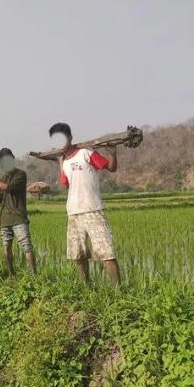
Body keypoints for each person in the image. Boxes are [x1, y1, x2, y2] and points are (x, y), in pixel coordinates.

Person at [50, 122, 121, 285]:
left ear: (70, 138)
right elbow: (65, 184)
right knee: (78, 254)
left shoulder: (86, 153)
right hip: (73, 212)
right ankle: (85, 287)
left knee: (107, 252)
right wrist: (61, 165)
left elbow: (111, 167)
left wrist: (113, 154)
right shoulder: (65, 163)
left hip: (92, 209)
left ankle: (118, 292)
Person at [0, 148, 36, 276]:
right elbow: (1, 199)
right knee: (6, 247)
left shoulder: (20, 174)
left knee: (26, 246)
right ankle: (10, 274)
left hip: (18, 217)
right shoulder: (2, 177)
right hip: (5, 218)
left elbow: (9, 187)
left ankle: (33, 274)